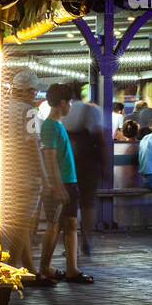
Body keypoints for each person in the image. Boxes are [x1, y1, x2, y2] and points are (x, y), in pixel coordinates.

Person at [38, 83, 93, 285]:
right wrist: (57, 187)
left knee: (70, 224)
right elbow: (50, 159)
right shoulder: (50, 126)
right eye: (69, 102)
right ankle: (44, 268)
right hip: (60, 185)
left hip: (69, 182)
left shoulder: (57, 125)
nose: (70, 106)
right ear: (62, 103)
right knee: (53, 226)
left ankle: (72, 269)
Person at [0, 69, 45, 280]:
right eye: (33, 91)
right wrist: (44, 176)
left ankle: (29, 269)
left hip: (2, 174)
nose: (35, 95)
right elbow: (33, 145)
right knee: (23, 224)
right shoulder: (29, 112)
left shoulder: (0, 110)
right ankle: (12, 269)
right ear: (27, 92)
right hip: (24, 175)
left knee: (15, 222)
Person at [61, 82, 106, 257]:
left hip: (65, 161)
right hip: (88, 163)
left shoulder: (63, 111)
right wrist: (104, 165)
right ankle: (86, 238)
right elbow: (100, 139)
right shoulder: (92, 110)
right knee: (88, 203)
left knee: (67, 202)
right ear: (81, 93)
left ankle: (68, 244)